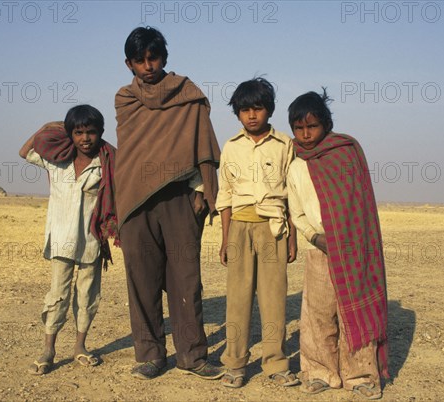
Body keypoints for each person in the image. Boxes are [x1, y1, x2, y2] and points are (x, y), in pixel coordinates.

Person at [114, 26, 222, 380]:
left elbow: (201, 145)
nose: (148, 66)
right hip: (135, 202)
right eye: (140, 60)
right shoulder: (125, 99)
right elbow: (131, 154)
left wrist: (201, 189)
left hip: (180, 198)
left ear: (165, 56)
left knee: (186, 279)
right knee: (141, 280)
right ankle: (150, 355)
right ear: (128, 63)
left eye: (154, 57)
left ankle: (192, 355)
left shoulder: (188, 94)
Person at [286, 90, 389, 399]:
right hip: (319, 248)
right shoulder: (294, 165)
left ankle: (360, 375)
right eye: (299, 128)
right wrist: (316, 237)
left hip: (354, 248)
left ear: (326, 124)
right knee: (318, 313)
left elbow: (361, 204)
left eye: (312, 127)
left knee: (353, 311)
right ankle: (320, 372)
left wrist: (345, 239)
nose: (305, 135)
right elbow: (297, 212)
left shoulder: (346, 152)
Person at [20, 104, 118, 375]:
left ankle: (80, 347)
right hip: (61, 239)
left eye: (91, 132)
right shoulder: (56, 159)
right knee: (57, 295)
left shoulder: (107, 163)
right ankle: (48, 349)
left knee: (87, 295)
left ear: (100, 133)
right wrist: (46, 127)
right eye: (78, 132)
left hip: (92, 241)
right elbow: (24, 151)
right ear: (69, 134)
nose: (85, 138)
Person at [216, 77, 299, 388]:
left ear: (270, 110)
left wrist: (291, 235)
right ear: (237, 113)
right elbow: (224, 195)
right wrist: (225, 238)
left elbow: (293, 193)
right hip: (238, 226)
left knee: (273, 298)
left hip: (273, 228)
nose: (251, 115)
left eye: (258, 108)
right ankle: (235, 364)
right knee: (237, 299)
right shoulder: (231, 147)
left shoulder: (285, 145)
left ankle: (276, 363)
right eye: (245, 110)